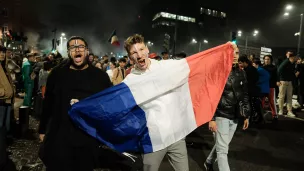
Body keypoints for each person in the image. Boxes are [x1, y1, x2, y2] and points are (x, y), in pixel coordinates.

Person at [38, 36, 115, 171]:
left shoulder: (99, 76)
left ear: (87, 51)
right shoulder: (57, 74)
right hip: (60, 135)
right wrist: (43, 129)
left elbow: (108, 105)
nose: (77, 49)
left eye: (80, 47)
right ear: (68, 52)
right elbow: (48, 103)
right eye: (73, 47)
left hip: (87, 137)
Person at [123, 34, 189, 171]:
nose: (139, 54)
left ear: (147, 50)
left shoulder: (166, 66)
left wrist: (226, 51)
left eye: (141, 49)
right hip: (153, 140)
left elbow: (195, 64)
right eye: (134, 52)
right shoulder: (130, 81)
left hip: (175, 136)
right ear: (130, 57)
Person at [205, 48, 250, 171]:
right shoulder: (217, 71)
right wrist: (211, 118)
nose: (236, 55)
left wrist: (246, 115)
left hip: (235, 116)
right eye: (232, 52)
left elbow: (244, 95)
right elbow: (211, 96)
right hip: (221, 114)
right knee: (223, 150)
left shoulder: (241, 72)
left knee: (222, 145)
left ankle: (208, 161)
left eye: (237, 53)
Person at [0, 45, 14, 169]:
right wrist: (4, 92)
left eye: (3, 52)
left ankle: (2, 150)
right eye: (0, 52)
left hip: (7, 102)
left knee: (5, 128)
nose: (2, 54)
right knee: (0, 128)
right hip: (1, 101)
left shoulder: (4, 66)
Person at [277, 52, 297, 117]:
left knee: (289, 97)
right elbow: (279, 70)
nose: (295, 59)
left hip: (289, 82)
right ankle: (281, 110)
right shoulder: (285, 62)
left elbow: (292, 72)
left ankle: (289, 111)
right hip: (283, 81)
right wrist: (278, 80)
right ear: (292, 57)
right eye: (294, 57)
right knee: (281, 97)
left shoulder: (292, 63)